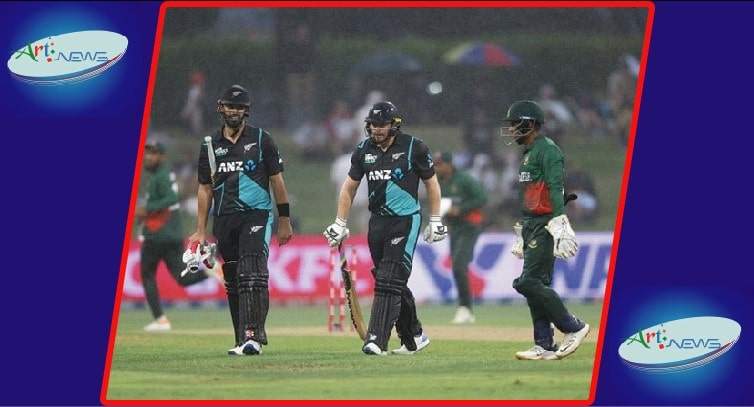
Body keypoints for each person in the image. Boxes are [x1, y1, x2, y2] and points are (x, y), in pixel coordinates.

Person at [324, 101, 447, 356]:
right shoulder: (363, 150)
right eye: (373, 125)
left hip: (406, 220)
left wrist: (435, 219)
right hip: (378, 222)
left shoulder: (414, 147)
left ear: (394, 125)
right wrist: (340, 222)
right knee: (390, 279)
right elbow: (349, 188)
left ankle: (376, 339)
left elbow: (432, 184)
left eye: (382, 125)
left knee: (389, 278)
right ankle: (414, 336)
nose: (377, 129)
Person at [188, 84, 294, 356]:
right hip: (225, 218)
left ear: (246, 111)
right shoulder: (210, 145)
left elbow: (277, 181)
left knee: (252, 272)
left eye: (239, 107)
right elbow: (205, 188)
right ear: (221, 108)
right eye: (230, 106)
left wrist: (284, 219)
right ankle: (241, 339)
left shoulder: (261, 139)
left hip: (256, 214)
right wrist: (200, 230)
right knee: (234, 280)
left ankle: (253, 336)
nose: (234, 111)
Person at [499, 100, 590, 360]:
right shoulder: (528, 153)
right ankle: (544, 344)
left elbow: (555, 186)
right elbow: (531, 194)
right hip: (532, 224)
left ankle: (573, 326)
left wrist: (559, 220)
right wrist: (523, 225)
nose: (511, 129)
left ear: (529, 124)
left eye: (515, 124)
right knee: (536, 285)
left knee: (528, 283)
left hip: (546, 224)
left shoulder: (548, 150)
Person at [136, 141, 221, 332]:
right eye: (147, 153)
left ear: (162, 156)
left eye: (153, 153)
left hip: (157, 235)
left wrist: (145, 210)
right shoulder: (165, 174)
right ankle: (210, 270)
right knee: (183, 278)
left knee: (147, 275)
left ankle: (161, 320)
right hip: (172, 235)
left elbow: (171, 199)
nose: (148, 157)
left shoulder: (160, 176)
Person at [433, 152, 487, 324]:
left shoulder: (464, 179)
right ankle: (465, 308)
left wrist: (461, 209)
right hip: (455, 228)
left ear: (449, 164)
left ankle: (465, 308)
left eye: (439, 164)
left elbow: (482, 198)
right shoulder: (439, 182)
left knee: (459, 265)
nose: (437, 168)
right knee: (457, 266)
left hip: (470, 225)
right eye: (435, 164)